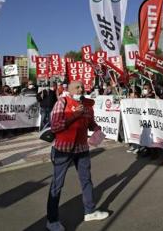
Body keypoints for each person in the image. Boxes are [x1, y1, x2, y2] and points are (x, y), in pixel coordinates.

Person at [46, 81, 108, 231]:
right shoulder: (62, 102)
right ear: (70, 90)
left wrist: (96, 128)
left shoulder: (87, 104)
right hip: (63, 149)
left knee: (86, 180)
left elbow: (90, 122)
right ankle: (52, 220)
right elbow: (55, 126)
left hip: (82, 149)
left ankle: (90, 211)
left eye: (82, 87)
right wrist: (74, 115)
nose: (80, 89)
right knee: (57, 185)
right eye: (77, 87)